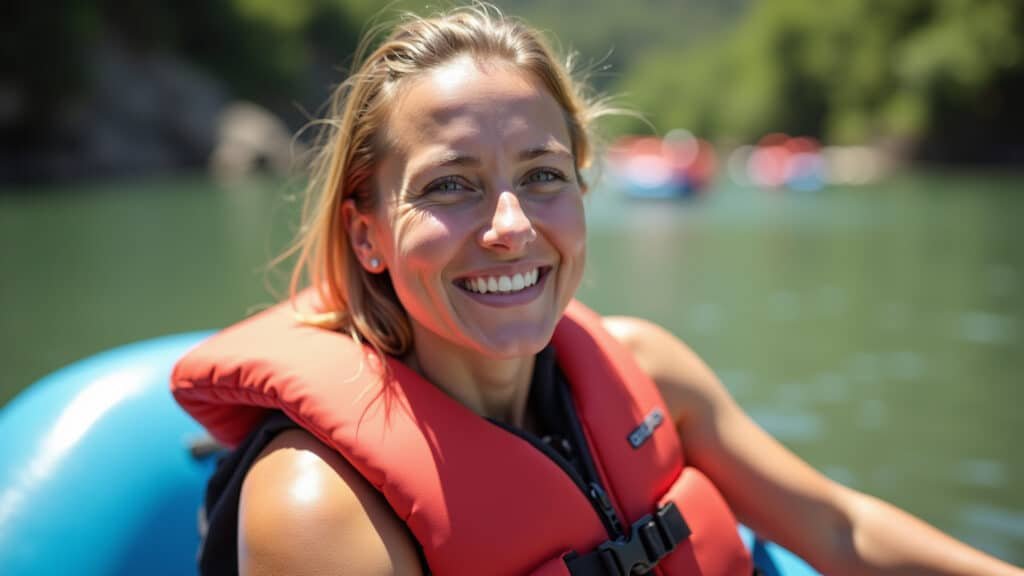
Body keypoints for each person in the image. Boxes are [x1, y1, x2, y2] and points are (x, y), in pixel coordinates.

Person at [171, 5, 1023, 576]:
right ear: (369, 236)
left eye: (542, 175)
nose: (510, 225)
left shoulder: (650, 369)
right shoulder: (317, 505)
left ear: (581, 195)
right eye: (450, 186)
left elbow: (842, 532)